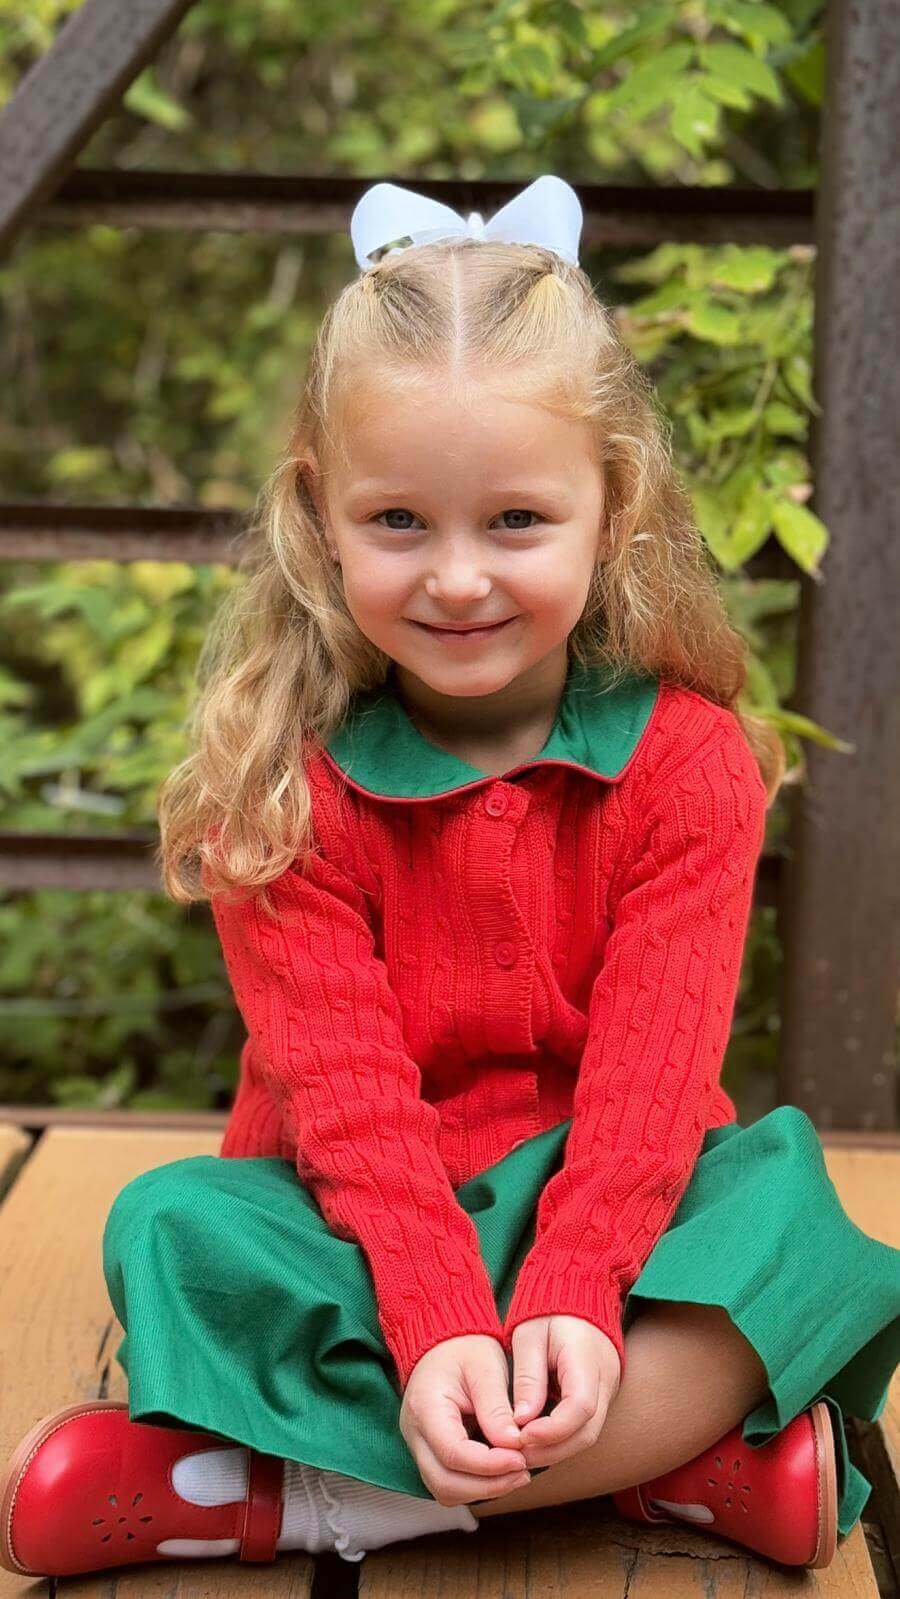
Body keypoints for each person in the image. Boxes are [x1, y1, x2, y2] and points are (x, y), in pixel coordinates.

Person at [2, 175, 898, 1581]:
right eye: (400, 522)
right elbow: (346, 1101)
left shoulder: (688, 763)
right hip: (362, 1230)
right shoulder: (282, 782)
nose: (460, 579)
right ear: (321, 515)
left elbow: (652, 1087)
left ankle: (292, 1500)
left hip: (606, 1210)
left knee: (778, 1208)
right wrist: (436, 1327)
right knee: (171, 1230)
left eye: (519, 523)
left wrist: (577, 1289)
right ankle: (671, 1463)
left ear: (616, 506)